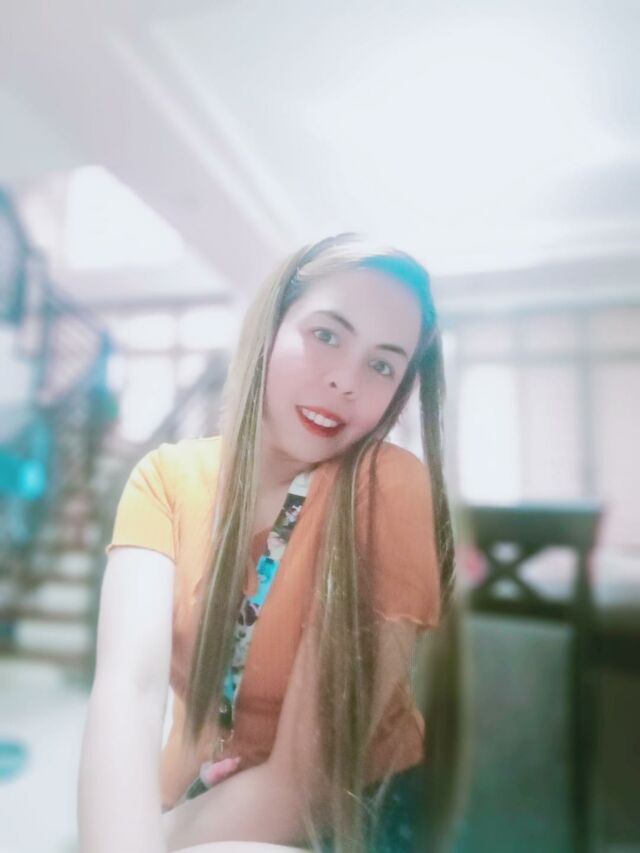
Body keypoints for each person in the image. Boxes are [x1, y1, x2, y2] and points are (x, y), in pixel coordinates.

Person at [77, 234, 463, 853]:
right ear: (270, 326)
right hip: (191, 796)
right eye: (327, 334)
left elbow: (304, 778)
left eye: (382, 365)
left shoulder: (385, 486)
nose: (345, 380)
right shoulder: (164, 479)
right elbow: (129, 687)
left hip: (349, 809)